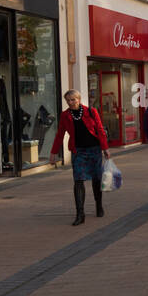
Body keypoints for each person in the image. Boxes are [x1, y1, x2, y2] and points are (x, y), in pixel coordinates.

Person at [49, 89, 110, 225]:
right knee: (78, 180)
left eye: (73, 100)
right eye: (68, 101)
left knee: (96, 178)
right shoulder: (65, 115)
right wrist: (53, 153)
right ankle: (80, 214)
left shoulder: (91, 112)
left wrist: (105, 148)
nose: (71, 103)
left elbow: (100, 130)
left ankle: (98, 205)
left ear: (79, 99)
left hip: (94, 149)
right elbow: (60, 134)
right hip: (79, 151)